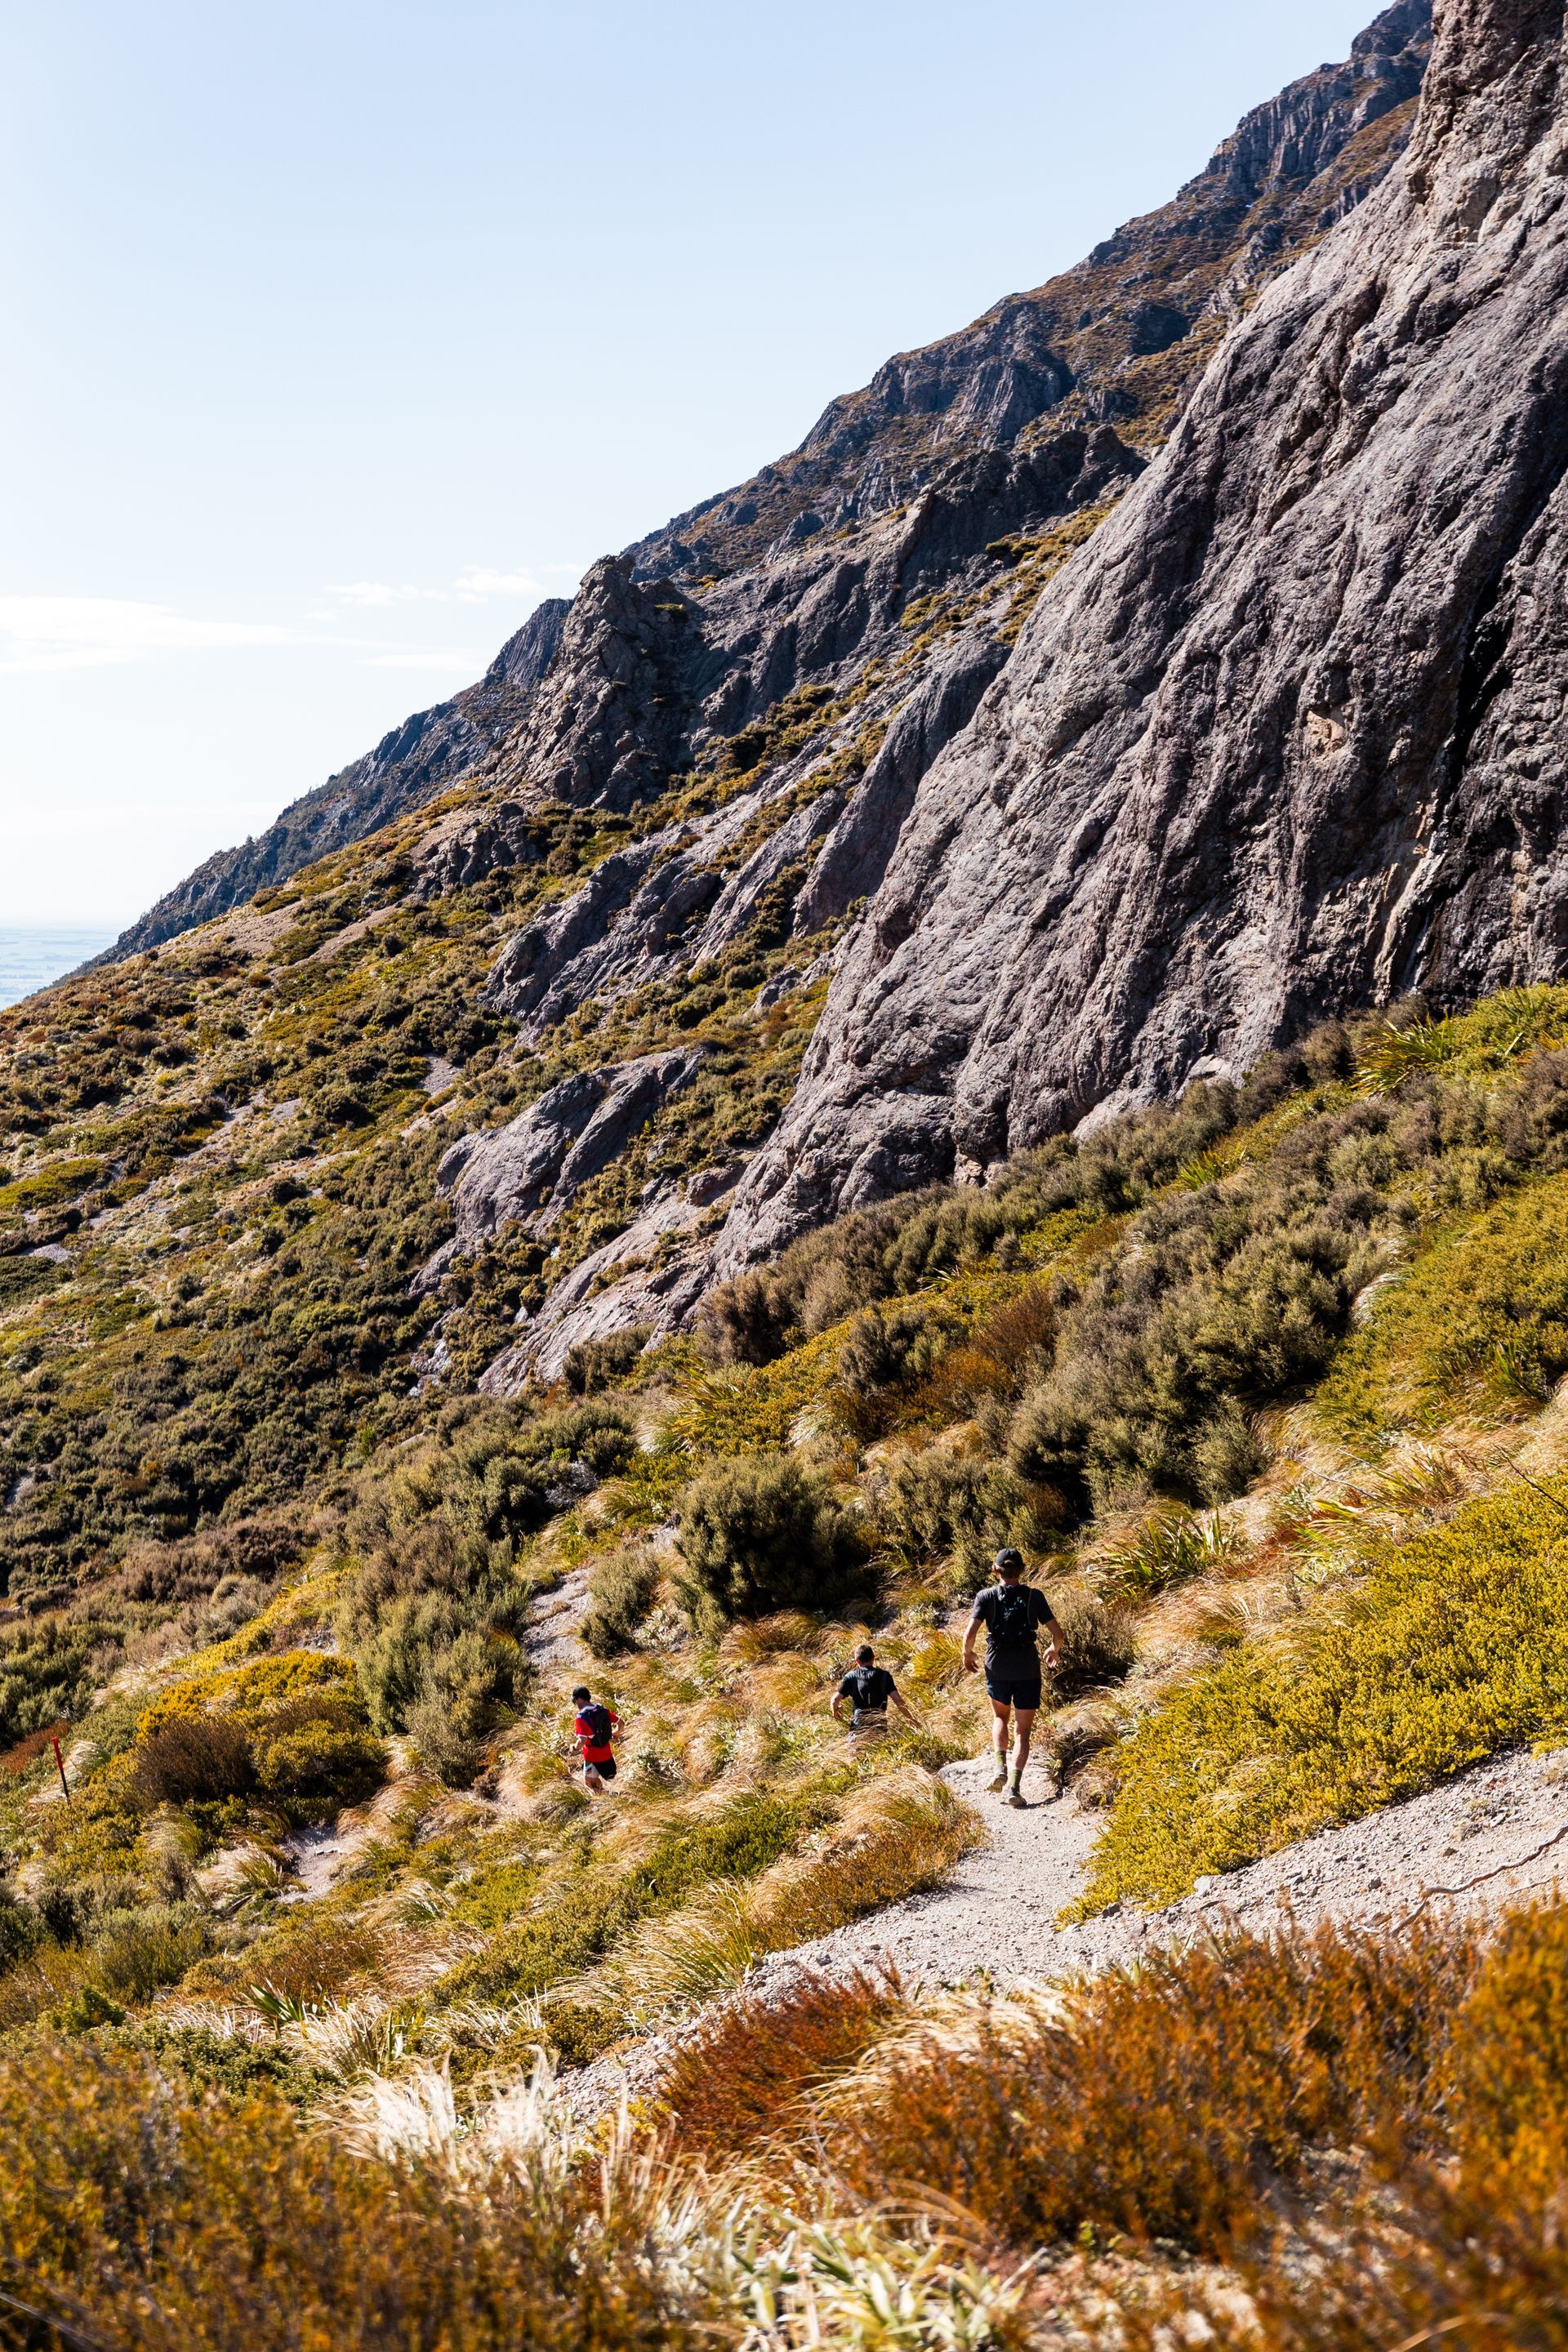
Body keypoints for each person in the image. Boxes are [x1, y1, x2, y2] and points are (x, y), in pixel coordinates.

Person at [962, 1548, 1061, 1807]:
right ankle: (1014, 1788)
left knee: (1000, 1717)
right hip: (1027, 1667)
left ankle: (999, 1769)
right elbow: (1058, 1634)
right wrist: (1054, 1649)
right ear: (1022, 1571)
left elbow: (970, 1633)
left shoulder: (985, 1596)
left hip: (997, 1666)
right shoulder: (1034, 1596)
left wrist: (967, 1653)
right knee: (1023, 1731)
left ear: (996, 1571)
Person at [831, 1642, 919, 1749]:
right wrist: (910, 1718)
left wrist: (835, 1710)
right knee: (879, 1750)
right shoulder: (884, 1675)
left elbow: (834, 1700)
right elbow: (898, 1700)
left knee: (855, 1753)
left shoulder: (851, 1677)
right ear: (873, 1658)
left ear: (857, 1661)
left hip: (859, 1723)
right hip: (879, 1721)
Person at [572, 1683, 621, 1792]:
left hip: (591, 1758)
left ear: (579, 1699)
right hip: (607, 1753)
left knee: (589, 1783)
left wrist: (574, 1747)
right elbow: (621, 1723)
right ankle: (606, 1796)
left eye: (574, 1701)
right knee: (606, 1778)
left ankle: (604, 1801)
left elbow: (582, 1741)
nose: (575, 1704)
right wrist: (616, 1733)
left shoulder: (581, 1717)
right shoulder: (602, 1710)